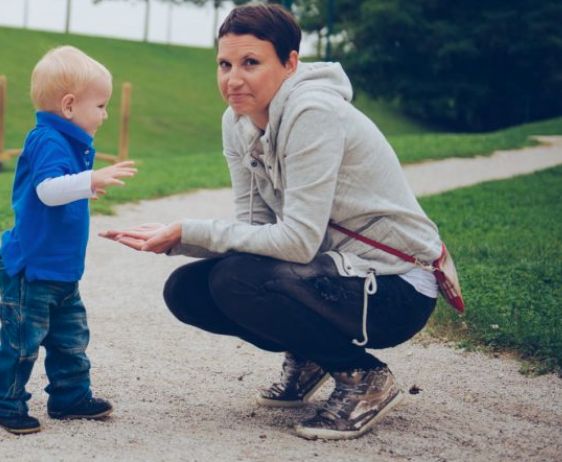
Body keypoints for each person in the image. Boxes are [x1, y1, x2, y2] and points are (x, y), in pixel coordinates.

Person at [101, 4, 442, 441]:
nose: (233, 79)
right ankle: (314, 355)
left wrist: (191, 229)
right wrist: (175, 239)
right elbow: (253, 229)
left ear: (290, 63)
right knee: (188, 290)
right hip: (337, 273)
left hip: (399, 288)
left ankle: (364, 378)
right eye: (224, 64)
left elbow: (298, 242)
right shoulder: (238, 121)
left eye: (251, 63)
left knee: (235, 281)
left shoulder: (312, 112)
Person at [0, 46, 137, 435]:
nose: (105, 114)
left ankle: (70, 397)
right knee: (22, 341)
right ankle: (4, 402)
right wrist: (90, 181)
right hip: (31, 269)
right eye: (101, 105)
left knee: (70, 338)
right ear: (69, 106)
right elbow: (48, 191)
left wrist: (84, 187)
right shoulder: (49, 140)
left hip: (61, 270)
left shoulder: (69, 142)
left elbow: (61, 193)